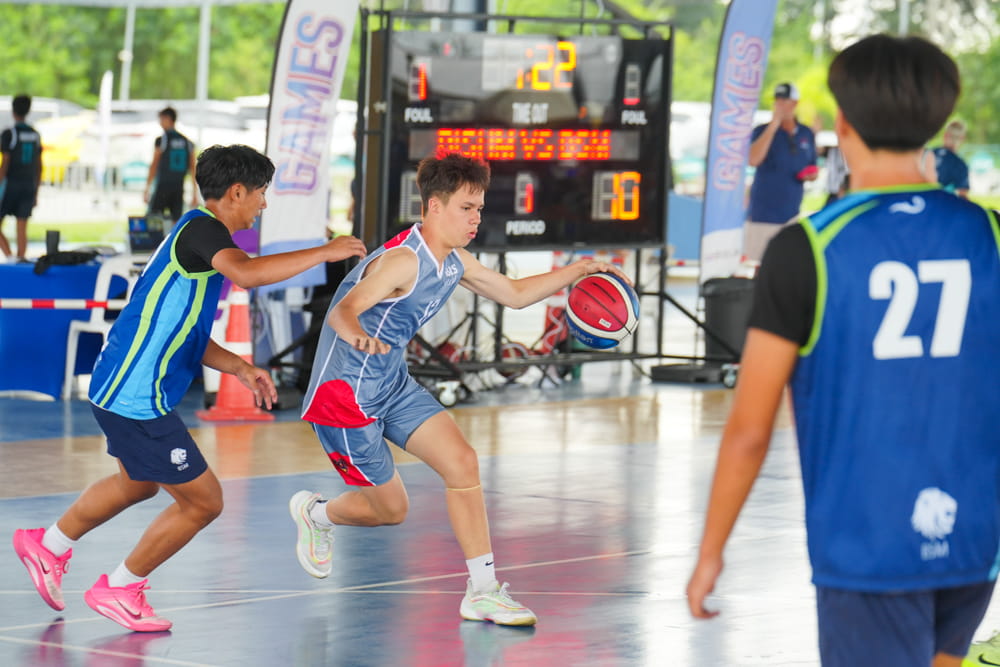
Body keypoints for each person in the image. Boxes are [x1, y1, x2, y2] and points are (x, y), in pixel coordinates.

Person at [686, 34, 999, 667]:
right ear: (938, 123)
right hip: (973, 532)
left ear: (844, 124)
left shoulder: (808, 247)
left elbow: (750, 428)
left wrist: (711, 549)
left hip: (869, 541)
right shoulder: (987, 233)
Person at [12, 144, 367, 632]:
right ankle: (120, 587)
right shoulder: (205, 231)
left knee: (137, 483)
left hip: (120, 385)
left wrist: (239, 368)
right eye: (261, 192)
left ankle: (46, 545)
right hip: (134, 396)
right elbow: (248, 274)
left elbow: (187, 332)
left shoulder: (198, 236)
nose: (263, 204)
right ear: (236, 192)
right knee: (204, 502)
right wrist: (326, 251)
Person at [289, 151, 629, 627]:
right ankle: (317, 514)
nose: (476, 218)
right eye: (466, 208)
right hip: (344, 398)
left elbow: (514, 294)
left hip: (391, 383)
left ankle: (483, 592)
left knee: (463, 462)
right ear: (434, 206)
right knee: (391, 511)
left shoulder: (454, 261)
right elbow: (344, 309)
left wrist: (580, 270)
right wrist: (357, 336)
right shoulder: (402, 262)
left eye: (479, 208)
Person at [744, 82, 818, 263]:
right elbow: (753, 160)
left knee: (785, 262)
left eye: (785, 101)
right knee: (759, 262)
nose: (780, 105)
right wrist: (774, 125)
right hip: (764, 212)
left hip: (792, 212)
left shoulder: (806, 133)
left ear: (794, 104)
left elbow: (812, 166)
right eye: (777, 100)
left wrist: (810, 175)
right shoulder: (762, 131)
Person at [0, 94, 43, 260]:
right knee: (22, 227)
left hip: (11, 185)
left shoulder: (10, 134)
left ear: (13, 110)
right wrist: (36, 191)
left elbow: (5, 162)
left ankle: (10, 257)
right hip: (29, 185)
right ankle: (20, 259)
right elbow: (39, 165)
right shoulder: (35, 135)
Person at [144, 107, 198, 224]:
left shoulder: (163, 140)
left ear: (168, 119)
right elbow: (193, 169)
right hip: (178, 187)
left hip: (162, 186)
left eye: (161, 119)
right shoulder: (187, 142)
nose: (160, 123)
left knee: (153, 222)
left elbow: (154, 164)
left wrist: (147, 187)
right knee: (176, 223)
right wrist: (195, 193)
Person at [931, 119, 970, 198]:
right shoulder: (960, 164)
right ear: (962, 138)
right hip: (943, 203)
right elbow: (963, 196)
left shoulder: (927, 155)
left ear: (945, 135)